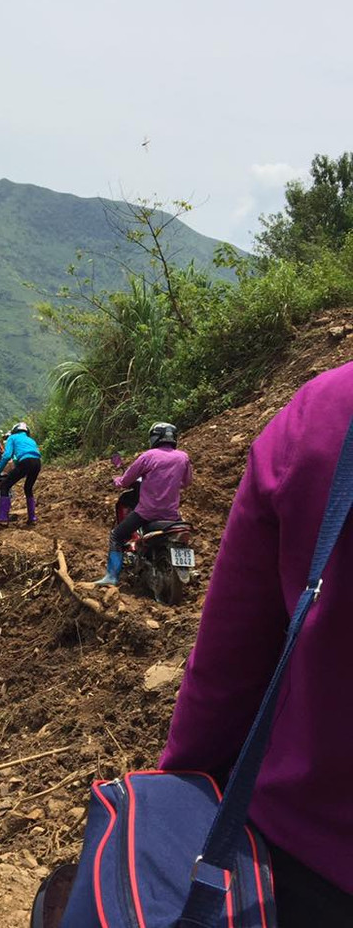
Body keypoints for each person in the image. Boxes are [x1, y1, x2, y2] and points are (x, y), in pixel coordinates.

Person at [159, 362, 353, 926]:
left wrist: (176, 800)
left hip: (299, 866)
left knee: (120, 535)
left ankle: (111, 571)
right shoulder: (182, 459)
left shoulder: (323, 411)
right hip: (176, 521)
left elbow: (225, 671)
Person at [94, 422, 192, 585]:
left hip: (147, 512)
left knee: (116, 536)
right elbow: (187, 482)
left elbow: (126, 481)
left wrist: (117, 481)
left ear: (154, 438)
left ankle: (111, 576)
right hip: (172, 515)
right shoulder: (183, 457)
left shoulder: (148, 456)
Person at [0, 422, 42, 526]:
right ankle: (32, 517)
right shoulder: (31, 440)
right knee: (28, 488)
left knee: (5, 486)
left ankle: (3, 516)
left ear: (15, 430)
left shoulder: (12, 438)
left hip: (25, 462)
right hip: (37, 463)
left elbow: (7, 456)